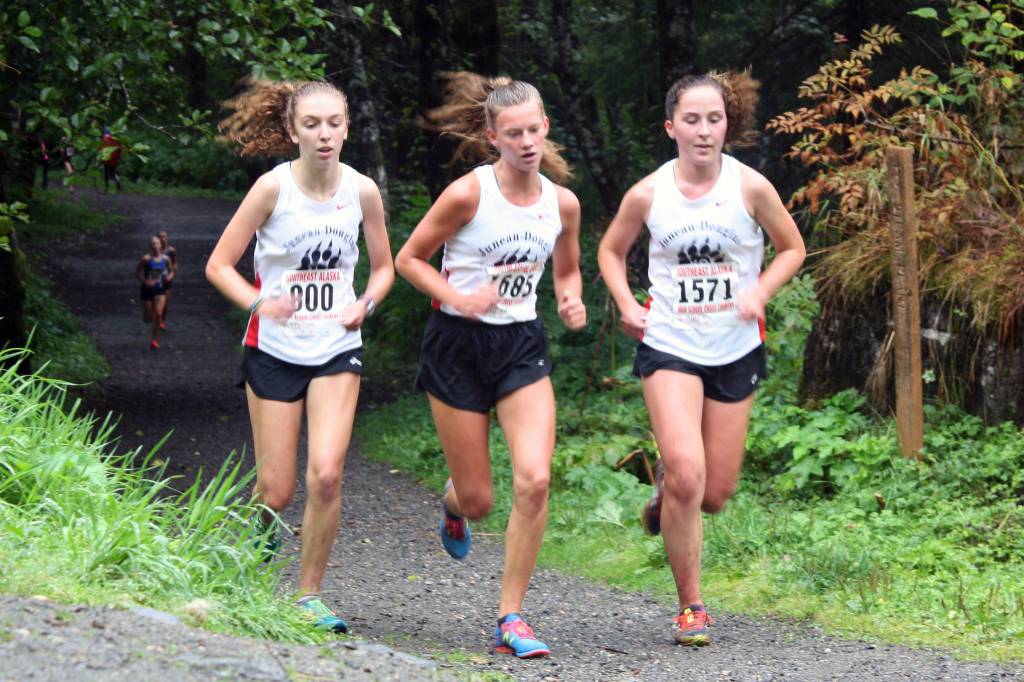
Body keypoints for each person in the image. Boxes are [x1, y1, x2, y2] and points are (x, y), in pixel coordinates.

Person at [597, 71, 805, 647]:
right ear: (671, 127)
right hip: (669, 344)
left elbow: (793, 248)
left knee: (713, 493)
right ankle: (691, 607)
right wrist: (624, 303)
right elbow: (612, 251)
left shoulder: (751, 187)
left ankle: (668, 494)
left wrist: (760, 290)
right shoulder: (648, 193)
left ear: (727, 126)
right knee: (690, 471)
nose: (704, 130)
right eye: (691, 119)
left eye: (714, 119)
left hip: (735, 349)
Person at [394, 72, 587, 658]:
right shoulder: (468, 195)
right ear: (492, 137)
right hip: (456, 345)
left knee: (535, 478)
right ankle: (456, 507)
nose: (526, 142)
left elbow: (567, 269)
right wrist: (456, 296)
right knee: (479, 498)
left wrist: (571, 297)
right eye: (513, 133)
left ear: (545, 128)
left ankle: (512, 616)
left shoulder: (563, 203)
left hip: (520, 346)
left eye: (534, 130)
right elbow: (410, 260)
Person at [206, 78, 394, 633]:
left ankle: (308, 595)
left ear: (347, 126)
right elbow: (218, 264)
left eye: (334, 122)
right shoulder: (271, 189)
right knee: (276, 488)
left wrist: (368, 301)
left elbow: (383, 266)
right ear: (292, 131)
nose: (324, 134)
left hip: (336, 346)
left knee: (327, 474)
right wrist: (260, 302)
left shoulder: (362, 191)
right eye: (311, 124)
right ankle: (253, 554)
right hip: (274, 351)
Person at [135, 234, 172, 350]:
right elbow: (136, 272)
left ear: (161, 245)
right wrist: (144, 281)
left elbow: (171, 271)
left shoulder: (166, 259)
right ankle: (147, 314)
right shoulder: (146, 259)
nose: (155, 246)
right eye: (153, 244)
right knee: (149, 317)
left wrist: (169, 277)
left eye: (157, 243)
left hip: (160, 289)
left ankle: (154, 340)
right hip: (147, 289)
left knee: (159, 314)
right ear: (150, 246)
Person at [157, 230, 177, 328]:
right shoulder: (155, 251)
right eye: (161, 237)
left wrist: (172, 274)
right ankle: (157, 317)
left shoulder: (171, 251)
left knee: (165, 303)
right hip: (156, 279)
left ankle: (161, 321)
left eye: (165, 236)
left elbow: (175, 263)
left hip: (167, 279)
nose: (163, 239)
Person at [100, 127, 123, 193]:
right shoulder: (115, 140)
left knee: (106, 175)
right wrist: (118, 158)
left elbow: (101, 150)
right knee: (113, 173)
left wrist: (101, 160)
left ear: (104, 133)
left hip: (106, 160)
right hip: (114, 160)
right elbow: (119, 149)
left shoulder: (104, 140)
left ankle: (106, 188)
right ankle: (118, 186)